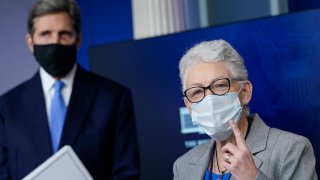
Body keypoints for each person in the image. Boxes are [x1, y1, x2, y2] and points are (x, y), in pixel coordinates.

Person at [0, 0, 139, 179]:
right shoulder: (6, 107)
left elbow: (126, 173)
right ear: (30, 42)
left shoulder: (114, 98)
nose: (55, 42)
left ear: (78, 39)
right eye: (45, 34)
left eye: (64, 34)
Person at [173, 39, 317, 180]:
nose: (209, 99)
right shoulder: (183, 165)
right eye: (197, 92)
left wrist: (252, 177)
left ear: (245, 92)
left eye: (220, 85)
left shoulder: (291, 149)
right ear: (189, 107)